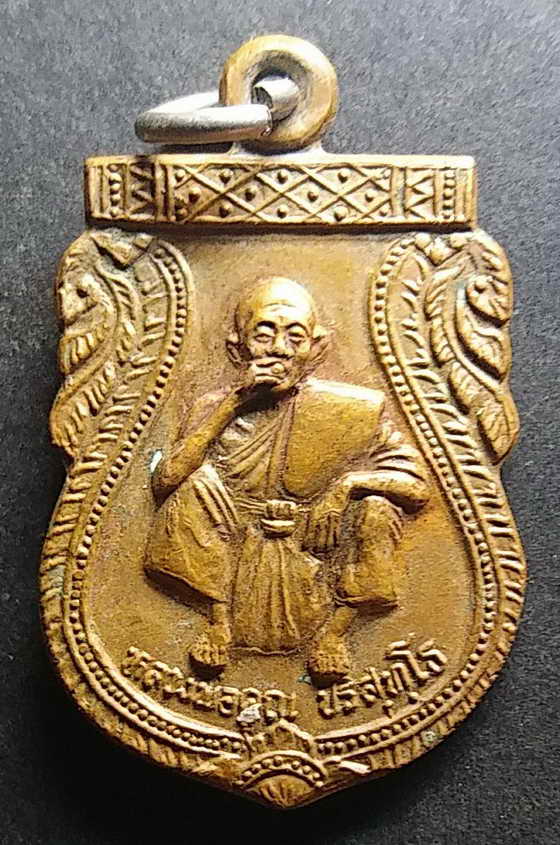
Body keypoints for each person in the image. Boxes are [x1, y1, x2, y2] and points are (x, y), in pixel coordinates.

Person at [146, 277, 429, 684]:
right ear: (237, 348)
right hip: (231, 540)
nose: (279, 348)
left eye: (295, 336)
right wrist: (234, 404)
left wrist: (348, 486)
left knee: (378, 509)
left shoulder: (353, 410)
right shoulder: (214, 406)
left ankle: (335, 633)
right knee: (194, 484)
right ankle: (218, 621)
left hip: (315, 538)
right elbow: (166, 481)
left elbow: (417, 488)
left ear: (317, 347)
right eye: (264, 335)